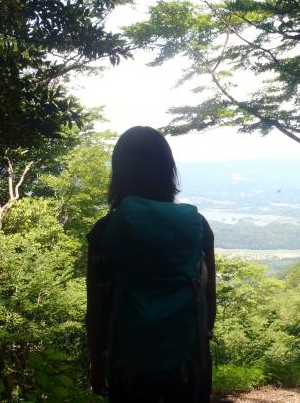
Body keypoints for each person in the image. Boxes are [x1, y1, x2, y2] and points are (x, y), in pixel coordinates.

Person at [86, 126, 216, 403]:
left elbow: (97, 307)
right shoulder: (198, 226)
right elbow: (209, 297)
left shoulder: (105, 230)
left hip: (128, 365)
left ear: (119, 173)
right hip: (188, 363)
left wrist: (97, 362)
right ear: (169, 170)